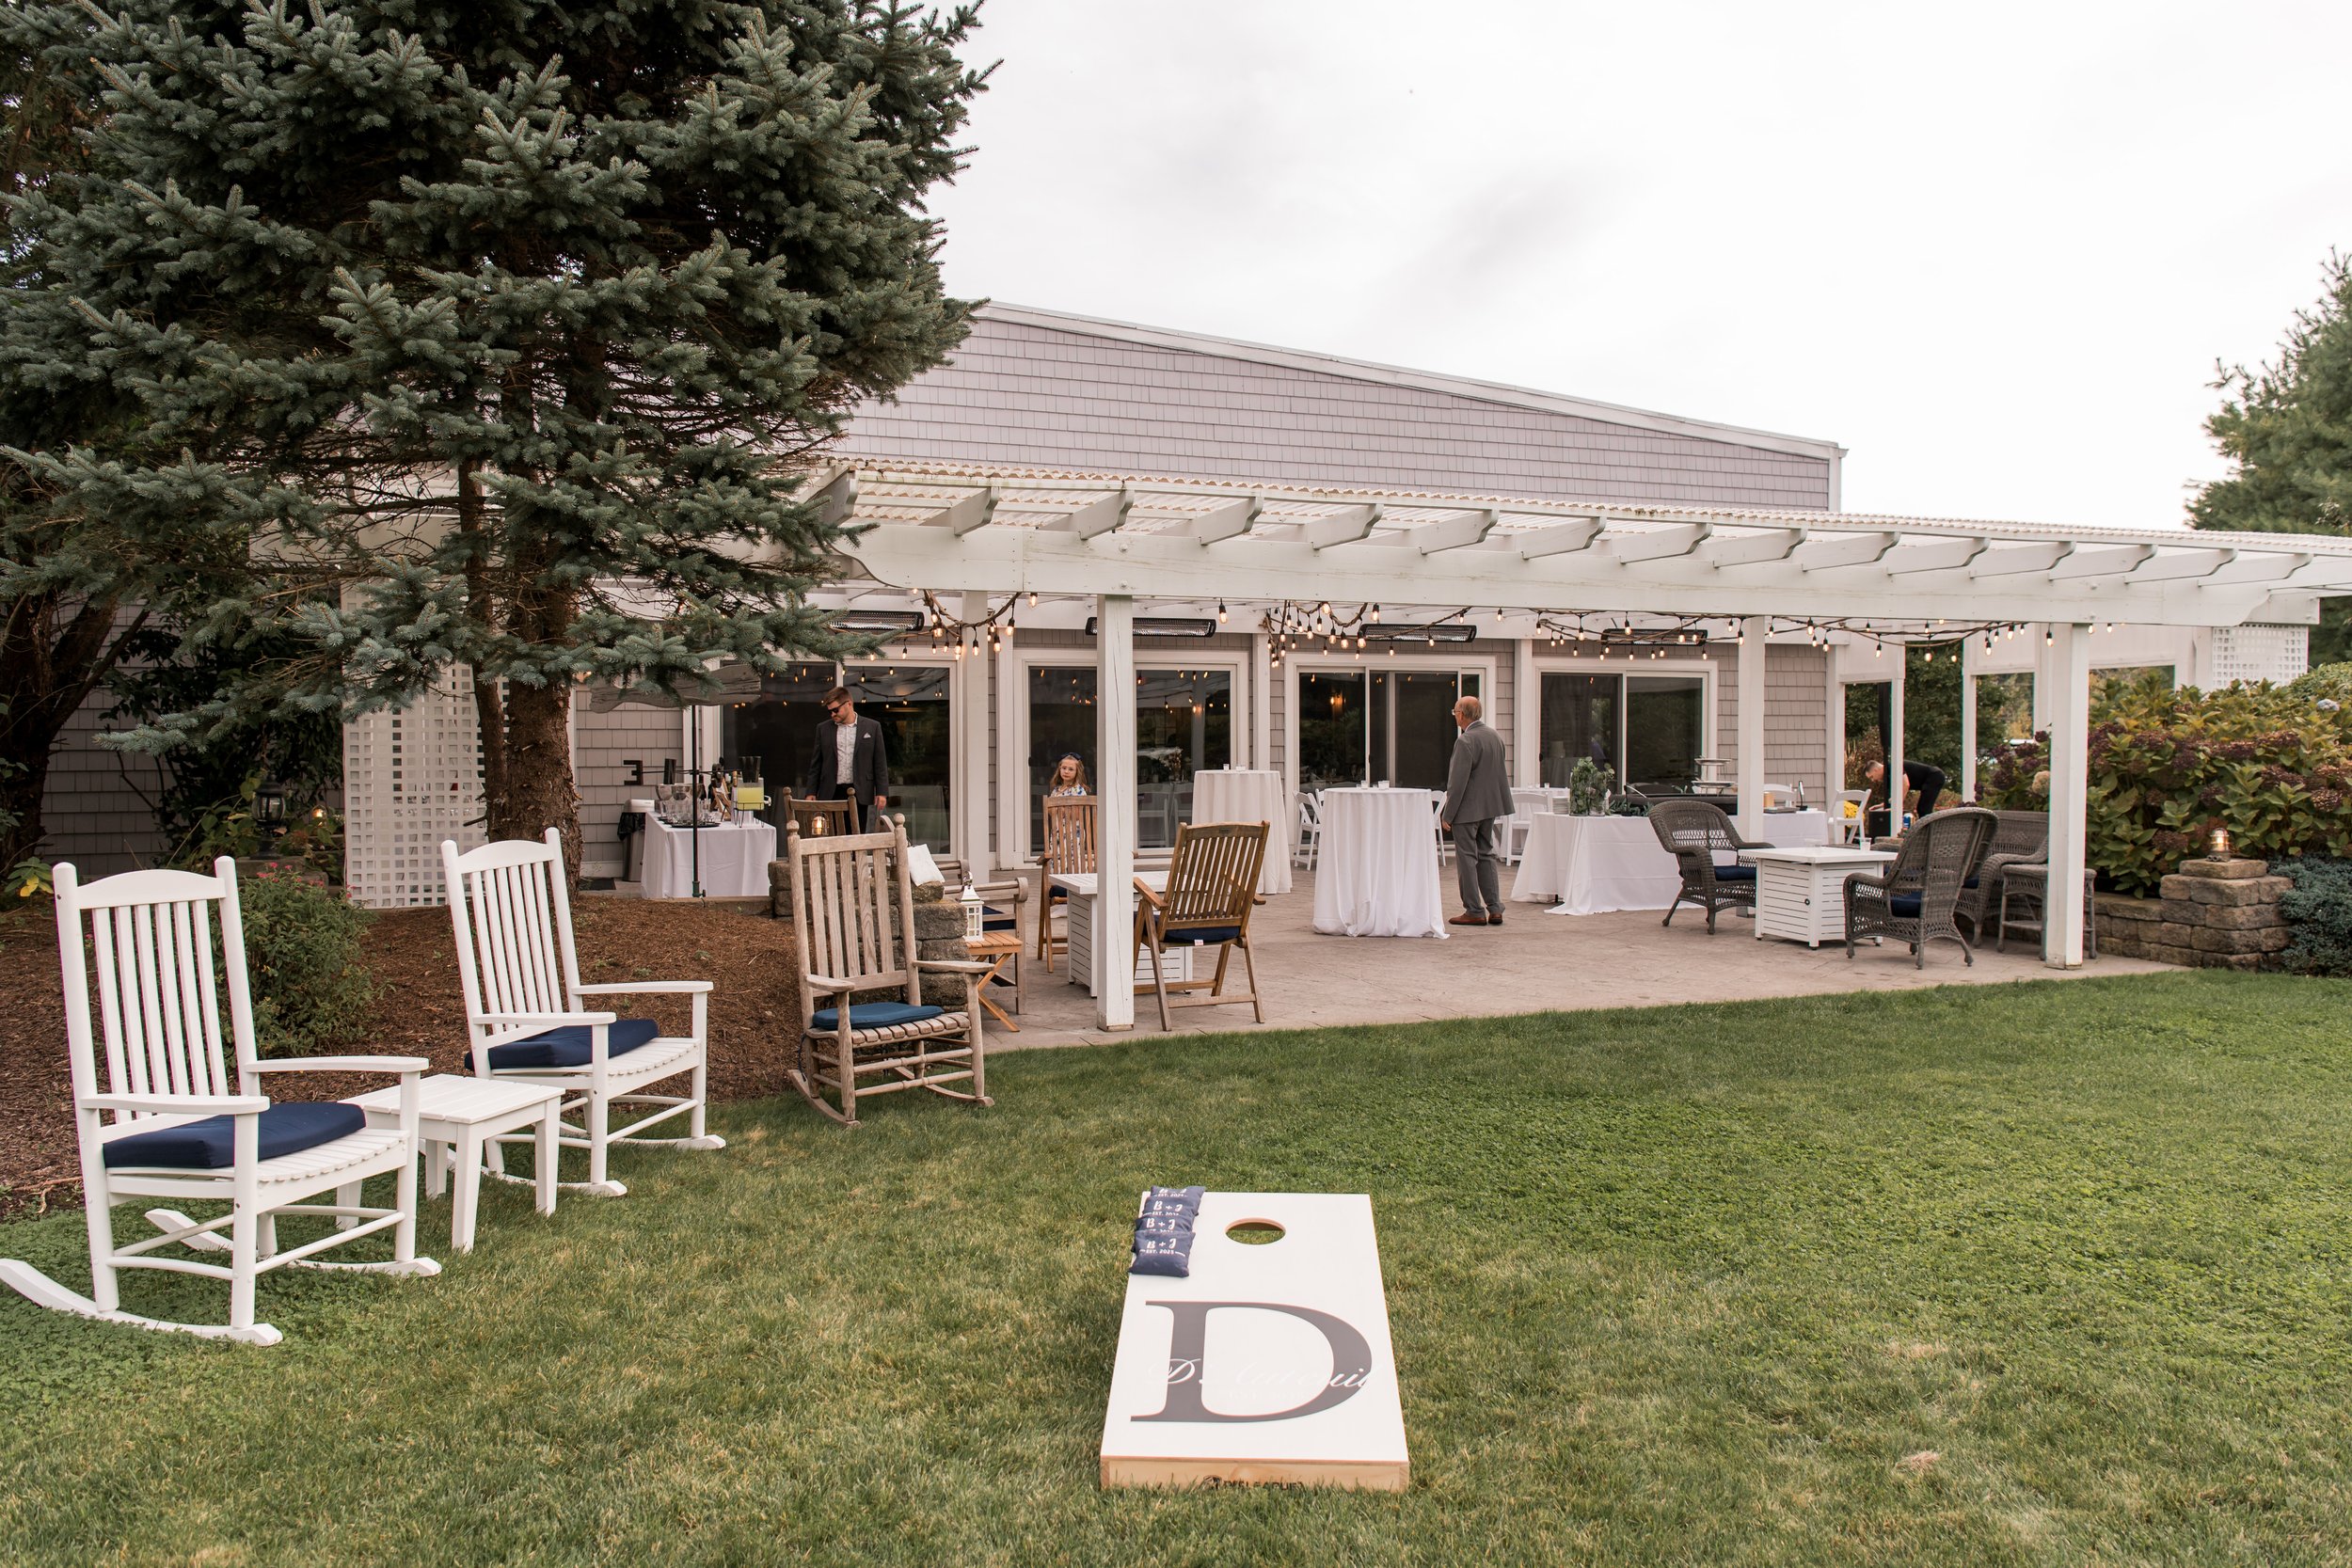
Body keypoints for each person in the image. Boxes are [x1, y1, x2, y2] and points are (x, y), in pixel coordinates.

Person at [1439, 694, 1515, 927]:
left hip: (1467, 810)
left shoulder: (1465, 741)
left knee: (1467, 858)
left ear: (1461, 714)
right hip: (1490, 807)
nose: (1454, 716)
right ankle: (1495, 908)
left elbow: (1457, 782)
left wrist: (1448, 814)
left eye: (1455, 712)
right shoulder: (1495, 737)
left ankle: (1473, 909)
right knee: (1486, 853)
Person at [803, 685, 888, 827]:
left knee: (856, 836)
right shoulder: (823, 729)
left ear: (849, 704)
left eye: (835, 710)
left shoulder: (872, 727)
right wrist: (811, 791)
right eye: (830, 711)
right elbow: (816, 763)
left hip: (860, 791)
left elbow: (879, 762)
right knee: (831, 837)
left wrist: (882, 792)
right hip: (831, 791)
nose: (832, 714)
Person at [1865, 756, 1945, 836]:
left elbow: (1906, 784)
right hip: (1927, 781)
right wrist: (1882, 805)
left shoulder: (1892, 766)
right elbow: (1893, 797)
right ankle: (1927, 834)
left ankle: (1932, 835)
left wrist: (1898, 805)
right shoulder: (1888, 777)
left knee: (1924, 809)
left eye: (1872, 777)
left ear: (1876, 770)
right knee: (1922, 809)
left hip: (1934, 776)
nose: (1873, 780)